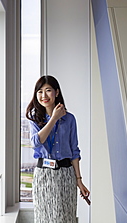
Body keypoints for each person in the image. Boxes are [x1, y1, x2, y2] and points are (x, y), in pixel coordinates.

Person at [26, 75, 90, 223]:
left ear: (57, 92)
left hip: (66, 175)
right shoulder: (34, 118)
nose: (44, 95)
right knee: (45, 218)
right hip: (44, 176)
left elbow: (74, 151)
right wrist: (53, 118)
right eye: (40, 91)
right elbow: (36, 142)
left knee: (66, 218)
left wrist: (79, 180)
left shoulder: (70, 119)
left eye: (48, 90)